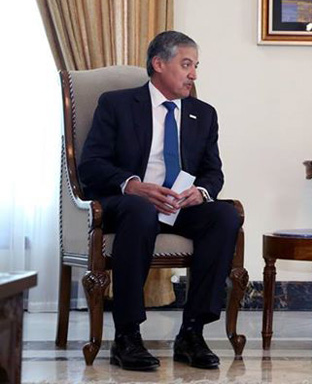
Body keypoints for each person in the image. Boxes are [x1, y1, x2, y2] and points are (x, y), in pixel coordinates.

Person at [79, 30, 241, 371]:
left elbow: (213, 172)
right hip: (128, 204)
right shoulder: (117, 104)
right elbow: (91, 165)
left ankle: (192, 333)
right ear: (158, 64)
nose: (193, 74)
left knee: (225, 216)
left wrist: (201, 192)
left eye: (195, 66)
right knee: (140, 211)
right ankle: (127, 336)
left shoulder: (203, 113)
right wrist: (133, 185)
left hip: (178, 207)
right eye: (186, 64)